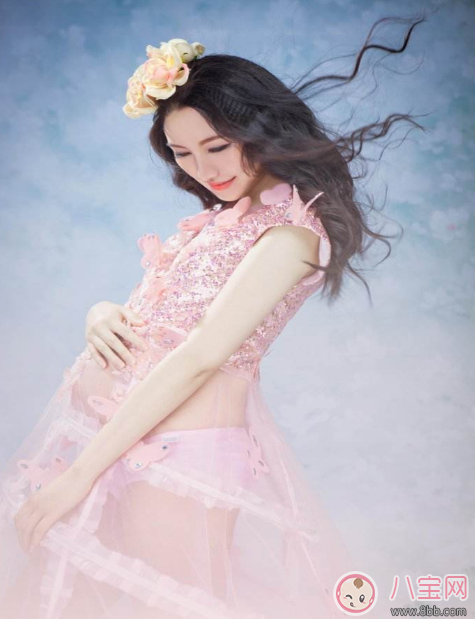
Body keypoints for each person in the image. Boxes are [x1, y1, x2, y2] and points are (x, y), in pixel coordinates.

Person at [0, 16, 428, 619]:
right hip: (124, 433)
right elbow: (166, 310)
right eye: (183, 153)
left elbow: (201, 353)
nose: (203, 168)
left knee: (166, 606)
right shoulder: (229, 216)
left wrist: (81, 474)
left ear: (260, 129)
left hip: (181, 453)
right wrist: (101, 311)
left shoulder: (290, 235)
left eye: (217, 146)